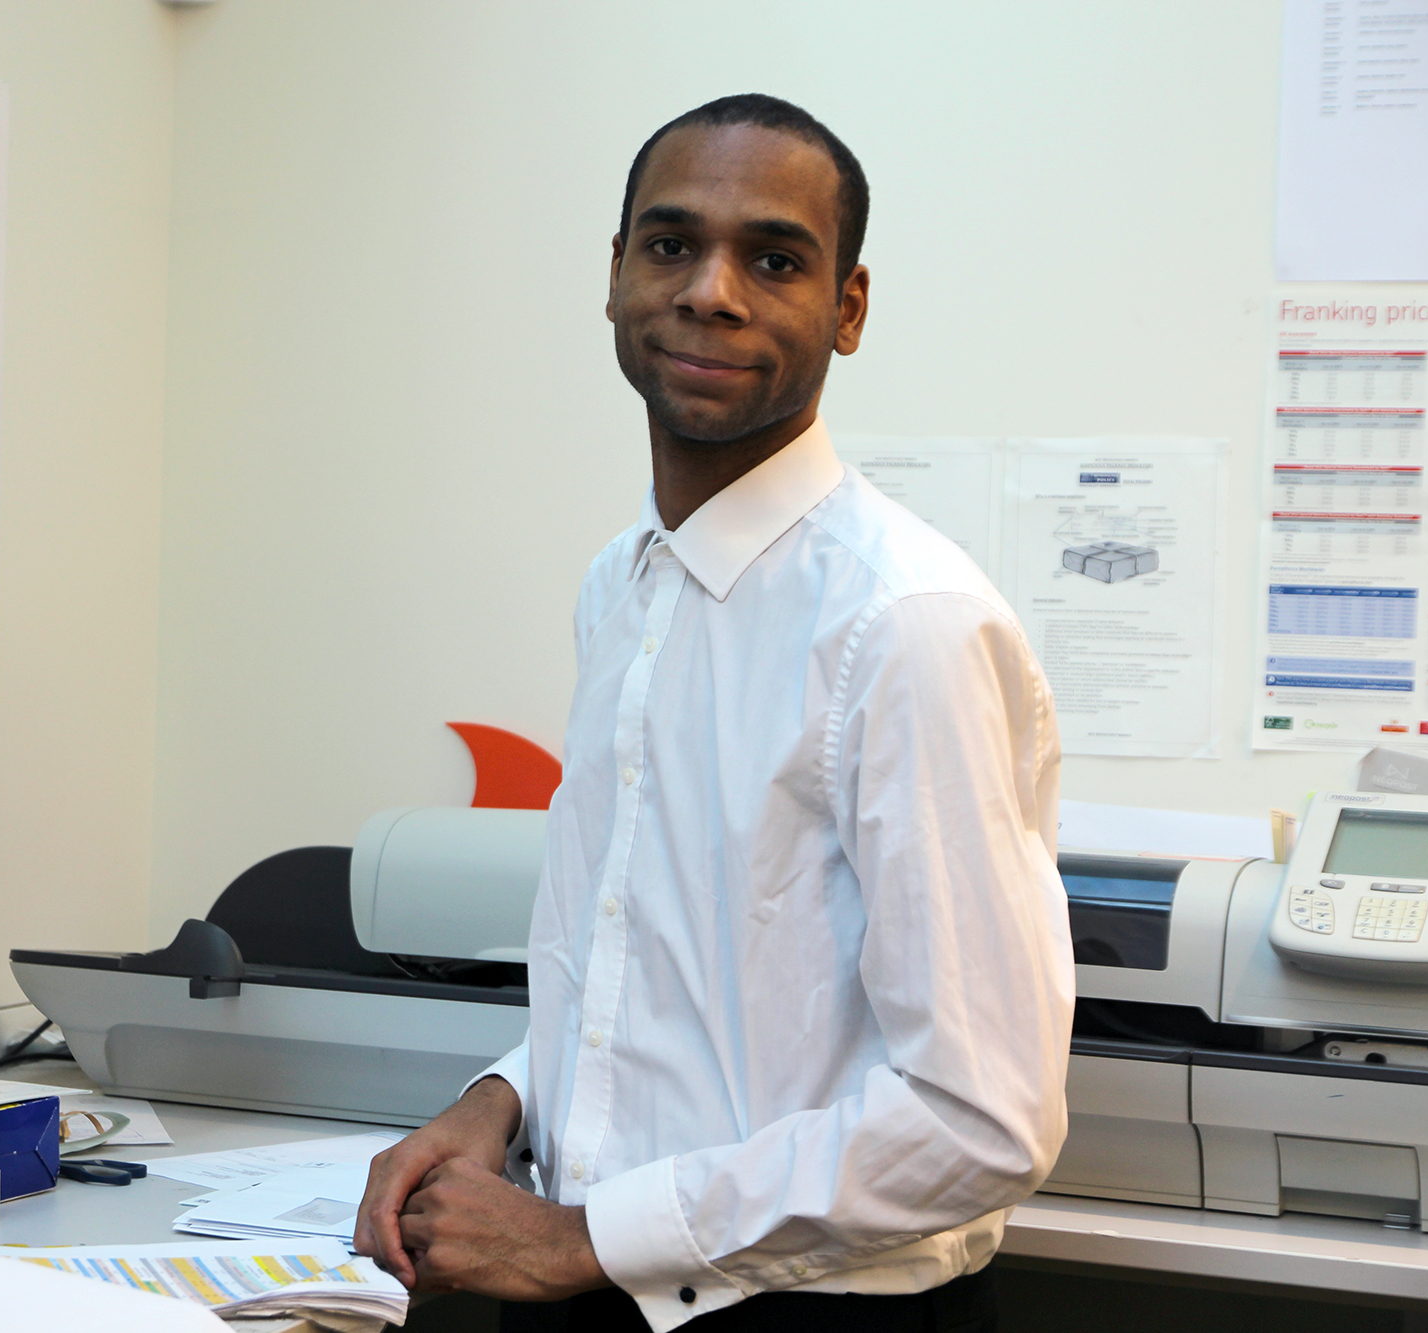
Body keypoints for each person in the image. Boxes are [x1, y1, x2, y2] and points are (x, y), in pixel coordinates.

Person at [353, 93, 1075, 1333]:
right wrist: (501, 1101)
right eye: (671, 244)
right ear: (617, 274)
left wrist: (584, 1238)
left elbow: (980, 1115)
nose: (710, 292)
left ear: (846, 310)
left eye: (774, 259)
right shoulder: (621, 582)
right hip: (592, 1275)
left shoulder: (905, 623)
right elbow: (650, 976)